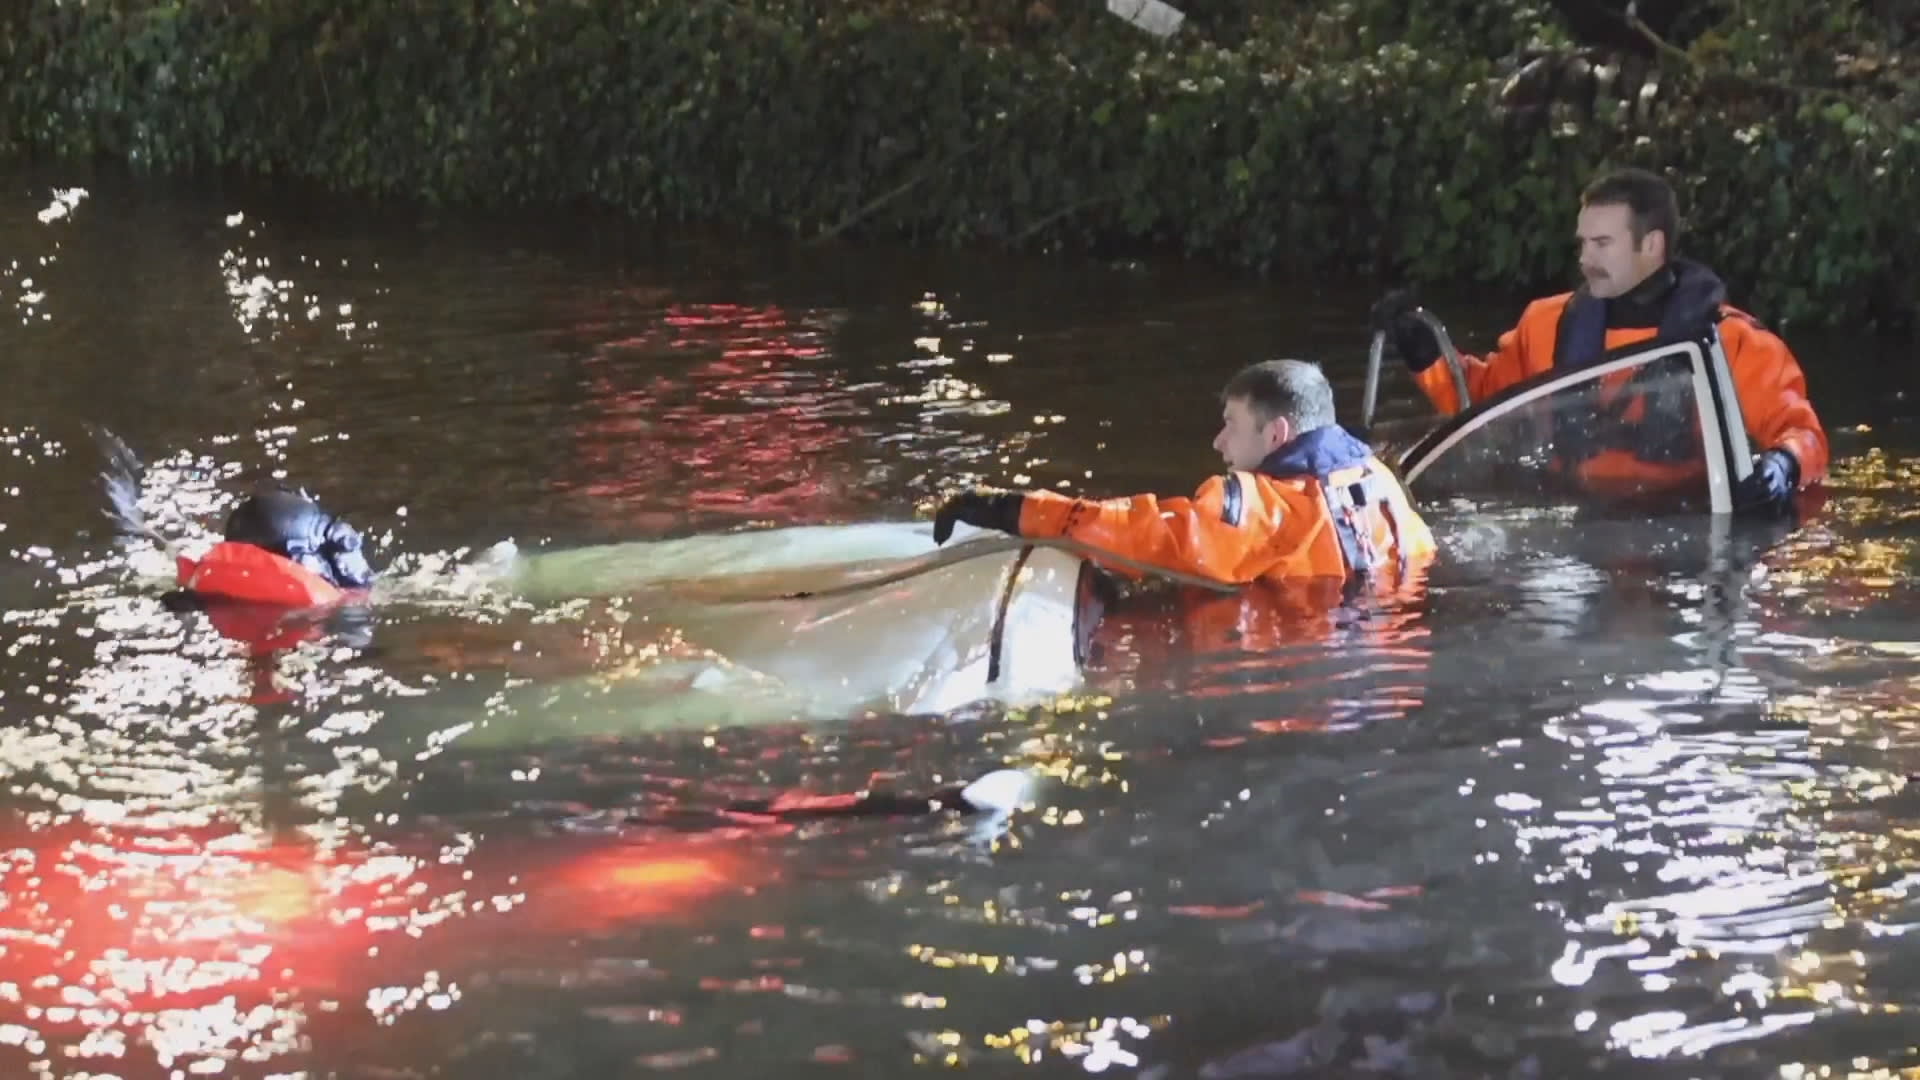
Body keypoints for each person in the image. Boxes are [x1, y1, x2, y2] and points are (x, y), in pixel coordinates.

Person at [1370, 166, 1828, 514]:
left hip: (1683, 523)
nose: (1585, 259)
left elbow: (1803, 434)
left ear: (1651, 246)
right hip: (1573, 521)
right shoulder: (1545, 323)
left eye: (1602, 244)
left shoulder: (1734, 341)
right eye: (1582, 243)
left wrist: (1782, 465)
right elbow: (1483, 404)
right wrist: (1424, 355)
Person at [930, 358, 1436, 587]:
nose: (1218, 443)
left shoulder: (1267, 510)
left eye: (1231, 426)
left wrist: (1011, 509)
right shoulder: (1379, 480)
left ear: (1277, 434)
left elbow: (1142, 536)